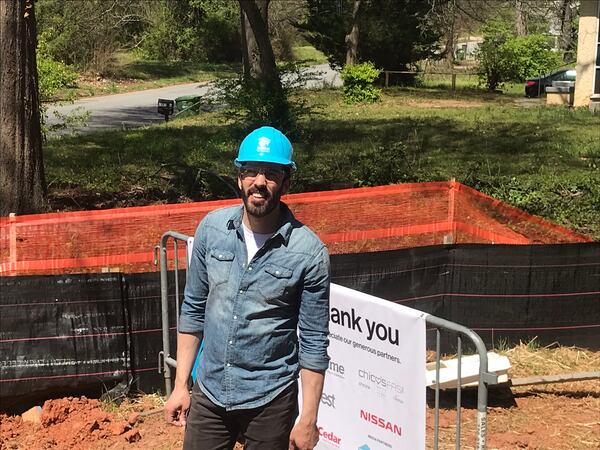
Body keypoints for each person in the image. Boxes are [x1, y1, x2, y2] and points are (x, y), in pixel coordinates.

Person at [164, 126, 331, 450]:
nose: (259, 181)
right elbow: (194, 308)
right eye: (251, 171)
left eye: (271, 173)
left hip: (270, 399)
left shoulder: (309, 253)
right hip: (210, 391)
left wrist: (308, 418)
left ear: (286, 182)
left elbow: (312, 341)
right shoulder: (212, 230)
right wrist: (181, 385)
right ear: (239, 177)